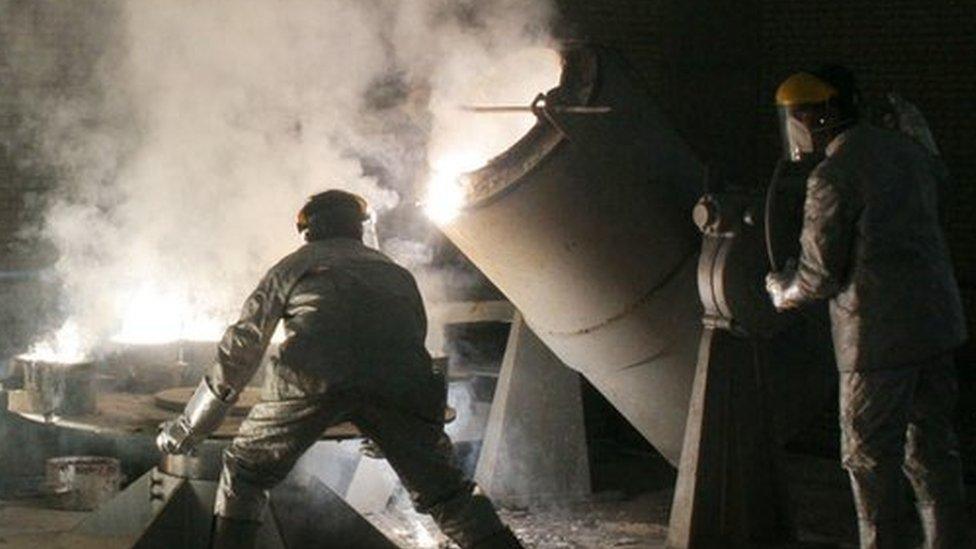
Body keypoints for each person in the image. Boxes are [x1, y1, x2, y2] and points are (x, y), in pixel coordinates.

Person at [157, 189, 522, 549]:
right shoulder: (396, 274)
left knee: (246, 473)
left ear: (308, 230)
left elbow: (242, 348)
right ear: (358, 229)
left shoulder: (290, 268)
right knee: (449, 494)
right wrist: (401, 427)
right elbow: (412, 349)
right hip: (401, 387)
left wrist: (189, 426)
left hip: (310, 381)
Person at [765, 66, 970, 548]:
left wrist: (781, 290)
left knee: (868, 459)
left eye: (798, 115)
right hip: (936, 327)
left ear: (823, 114)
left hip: (875, 342)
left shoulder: (831, 177)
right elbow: (941, 185)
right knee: (933, 451)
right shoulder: (907, 152)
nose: (794, 125)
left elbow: (817, 278)